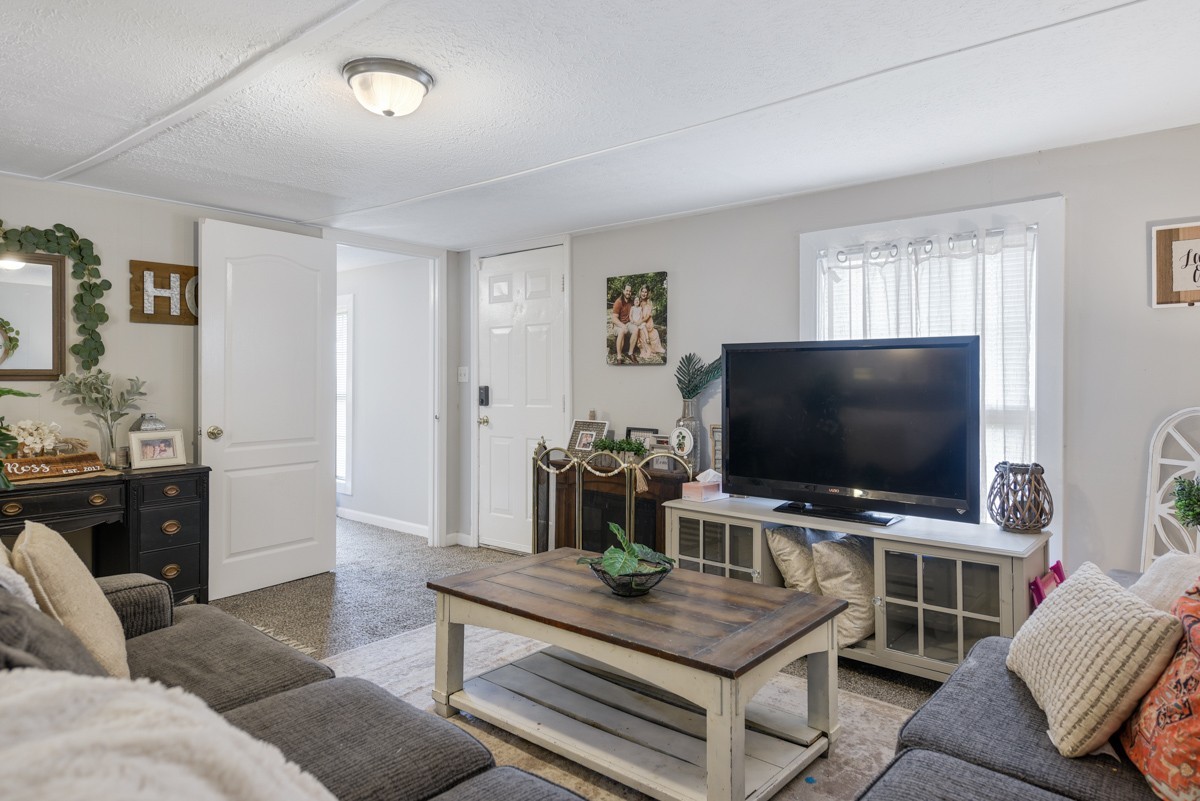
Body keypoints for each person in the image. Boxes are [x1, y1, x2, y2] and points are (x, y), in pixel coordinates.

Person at [610, 284, 639, 363]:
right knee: (622, 330)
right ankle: (619, 356)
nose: (628, 292)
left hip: (628, 323)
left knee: (636, 329)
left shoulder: (631, 302)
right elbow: (614, 318)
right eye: (627, 290)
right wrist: (622, 326)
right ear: (623, 291)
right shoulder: (618, 302)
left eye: (630, 291)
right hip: (618, 325)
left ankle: (630, 353)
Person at [634, 285, 665, 360]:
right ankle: (644, 347)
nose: (644, 294)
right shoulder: (638, 301)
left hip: (647, 323)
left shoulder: (649, 302)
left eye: (645, 292)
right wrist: (637, 322)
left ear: (647, 293)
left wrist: (640, 322)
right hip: (640, 324)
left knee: (654, 333)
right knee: (641, 331)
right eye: (642, 292)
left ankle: (652, 348)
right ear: (640, 292)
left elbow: (647, 316)